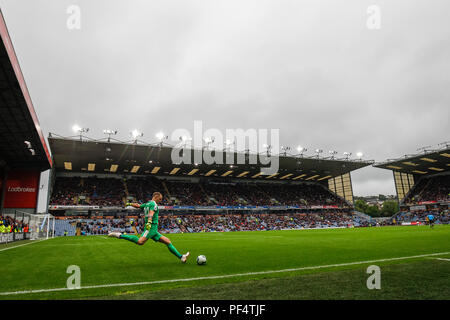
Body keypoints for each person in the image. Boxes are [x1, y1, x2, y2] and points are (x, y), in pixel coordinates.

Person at [108, 192, 190, 263]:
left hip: (153, 228)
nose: (160, 201)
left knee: (167, 241)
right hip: (151, 227)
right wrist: (150, 222)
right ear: (156, 197)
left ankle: (181, 257)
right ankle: (119, 235)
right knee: (140, 242)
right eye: (160, 199)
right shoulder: (154, 204)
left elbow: (138, 205)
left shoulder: (147, 203)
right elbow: (151, 213)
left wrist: (129, 204)